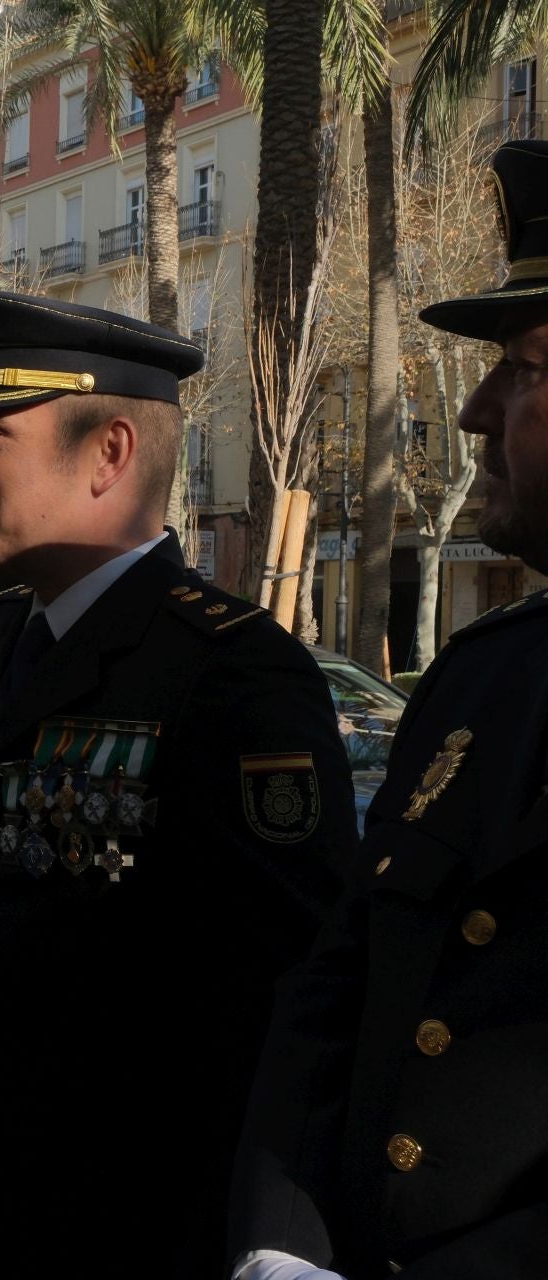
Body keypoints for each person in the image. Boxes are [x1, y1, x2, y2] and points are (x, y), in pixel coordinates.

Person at [0, 289, 356, 1279]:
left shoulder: (230, 672)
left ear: (109, 453)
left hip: (129, 1219)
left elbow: (289, 980)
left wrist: (277, 1217)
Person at [228, 138, 548, 1280]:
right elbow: (338, 984)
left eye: (522, 369)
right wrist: (281, 1233)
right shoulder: (480, 676)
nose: (476, 414)